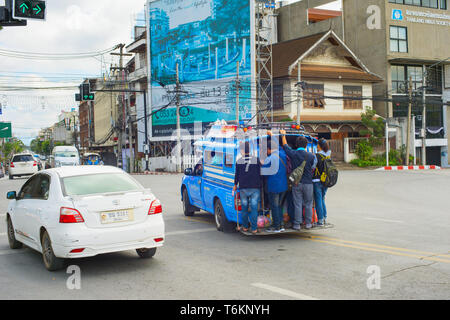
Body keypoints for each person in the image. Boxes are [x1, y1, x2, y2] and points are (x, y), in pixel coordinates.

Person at [279, 130, 317, 230]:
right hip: (308, 183)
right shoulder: (311, 156)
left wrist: (283, 135)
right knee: (308, 203)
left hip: (297, 183)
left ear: (296, 144)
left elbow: (286, 147)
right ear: (306, 145)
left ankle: (297, 224)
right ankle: (308, 223)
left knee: (298, 203)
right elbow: (313, 167)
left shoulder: (294, 154)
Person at [233, 141, 262, 234]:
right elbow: (260, 173)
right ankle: (254, 228)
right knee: (254, 208)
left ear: (242, 150)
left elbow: (237, 175)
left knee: (244, 208)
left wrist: (235, 185)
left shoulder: (239, 161)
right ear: (249, 150)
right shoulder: (256, 160)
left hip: (243, 188)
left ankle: (245, 227)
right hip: (255, 187)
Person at [262, 131, 288, 233]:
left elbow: (264, 173)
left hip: (274, 187)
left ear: (269, 149)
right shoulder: (282, 154)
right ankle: (281, 224)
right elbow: (277, 146)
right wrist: (272, 135)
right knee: (279, 206)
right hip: (284, 186)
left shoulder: (269, 159)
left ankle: (276, 226)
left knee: (274, 206)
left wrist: (262, 163)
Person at [313, 138, 331, 226]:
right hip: (326, 180)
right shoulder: (328, 154)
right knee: (323, 199)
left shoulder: (317, 156)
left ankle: (320, 220)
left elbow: (313, 167)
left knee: (318, 200)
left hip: (317, 181)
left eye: (317, 145)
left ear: (319, 146)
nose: (317, 147)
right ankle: (324, 218)